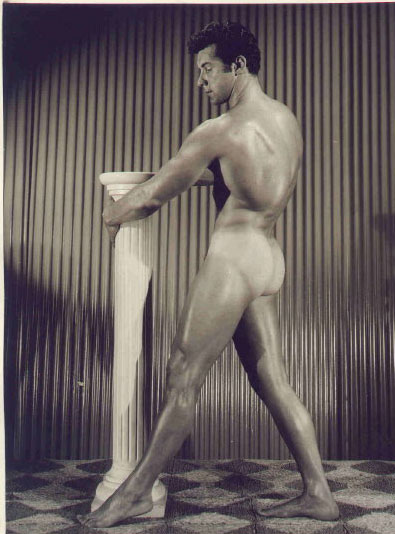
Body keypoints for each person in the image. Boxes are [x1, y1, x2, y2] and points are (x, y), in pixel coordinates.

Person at [78, 21, 339, 528]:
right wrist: (206, 171)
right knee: (271, 379)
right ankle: (319, 493)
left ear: (236, 66)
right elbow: (246, 177)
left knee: (182, 374)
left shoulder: (218, 130)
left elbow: (150, 196)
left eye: (207, 70)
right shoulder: (285, 119)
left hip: (233, 260)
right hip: (269, 256)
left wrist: (110, 216)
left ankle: (134, 494)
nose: (200, 81)